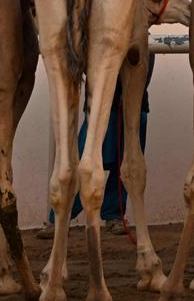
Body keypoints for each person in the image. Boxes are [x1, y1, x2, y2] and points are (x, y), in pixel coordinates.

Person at [38, 59, 154, 238]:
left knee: (127, 163)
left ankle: (114, 214)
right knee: (85, 159)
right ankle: (61, 217)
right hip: (101, 104)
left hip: (135, 104)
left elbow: (144, 63)